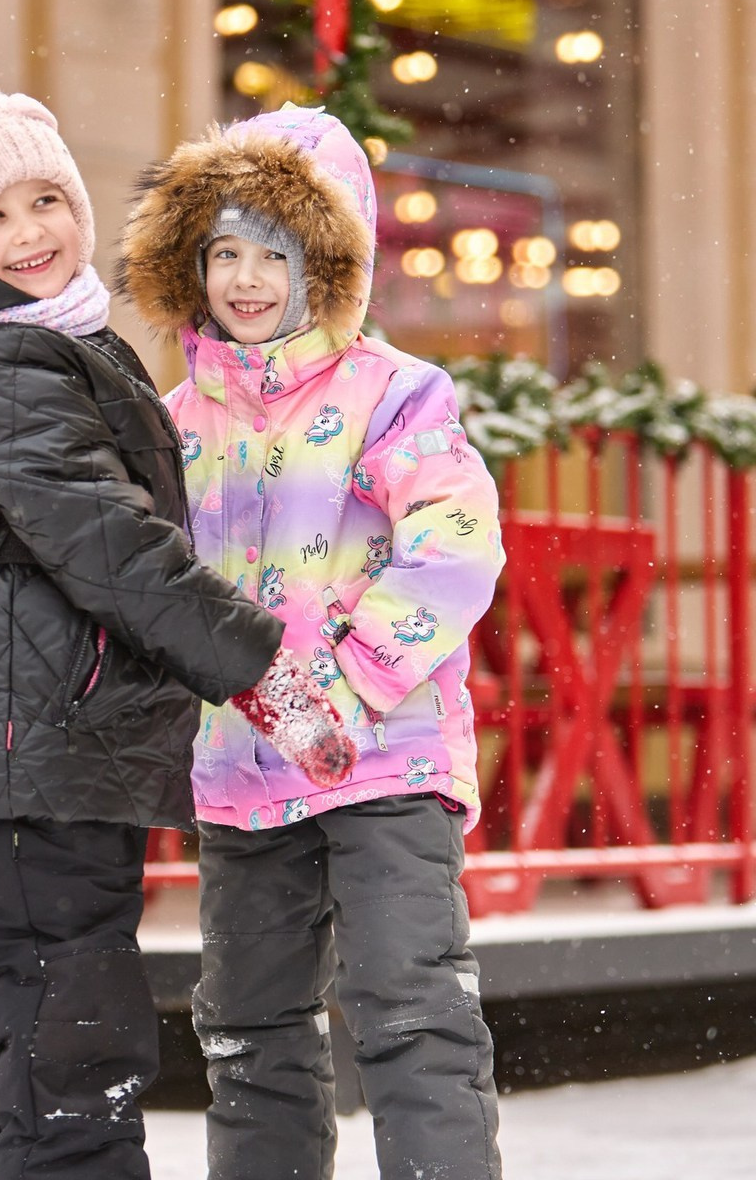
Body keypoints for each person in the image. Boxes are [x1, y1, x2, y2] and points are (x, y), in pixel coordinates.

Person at [0, 65, 352, 1180]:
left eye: (43, 199)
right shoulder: (9, 359)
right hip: (38, 747)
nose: (29, 231)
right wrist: (255, 669)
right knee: (74, 1046)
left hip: (24, 746)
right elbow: (110, 542)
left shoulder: (35, 342)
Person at [116, 103, 507, 1180]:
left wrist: (345, 684)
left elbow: (452, 545)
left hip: (382, 755)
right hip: (240, 773)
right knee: (249, 1029)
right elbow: (149, 589)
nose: (244, 278)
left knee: (410, 1002)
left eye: (273, 253)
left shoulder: (393, 394)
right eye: (222, 252)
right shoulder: (171, 422)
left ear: (323, 265)